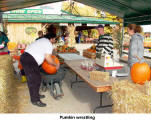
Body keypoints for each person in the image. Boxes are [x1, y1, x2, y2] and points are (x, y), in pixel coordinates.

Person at [20, 33, 59, 107]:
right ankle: (35, 100)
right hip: (30, 60)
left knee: (36, 79)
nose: (55, 40)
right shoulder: (48, 44)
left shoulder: (42, 40)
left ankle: (36, 95)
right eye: (54, 39)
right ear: (51, 39)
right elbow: (48, 58)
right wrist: (55, 64)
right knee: (34, 80)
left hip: (26, 57)